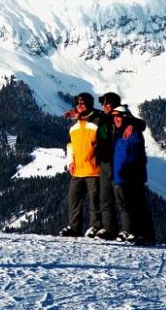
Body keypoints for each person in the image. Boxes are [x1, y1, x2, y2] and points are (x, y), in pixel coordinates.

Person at [93, 92, 147, 239]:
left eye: (107, 103)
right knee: (106, 198)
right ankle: (108, 229)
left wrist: (132, 124)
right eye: (102, 103)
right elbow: (90, 113)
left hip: (118, 165)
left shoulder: (120, 117)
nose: (104, 106)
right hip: (105, 164)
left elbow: (141, 124)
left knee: (123, 200)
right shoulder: (103, 117)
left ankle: (127, 230)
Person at [110, 104, 156, 246]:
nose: (115, 119)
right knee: (125, 207)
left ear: (125, 118)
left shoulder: (133, 133)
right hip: (119, 177)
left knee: (138, 206)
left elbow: (137, 154)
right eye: (114, 117)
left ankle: (146, 235)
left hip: (132, 177)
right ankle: (130, 231)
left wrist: (132, 125)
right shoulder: (117, 133)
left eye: (118, 116)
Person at [59, 92, 101, 237]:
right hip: (77, 170)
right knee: (73, 201)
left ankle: (96, 228)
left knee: (95, 202)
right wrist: (70, 162)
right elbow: (70, 145)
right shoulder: (74, 124)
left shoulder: (97, 120)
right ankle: (74, 228)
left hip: (94, 170)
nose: (80, 105)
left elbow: (105, 141)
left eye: (83, 103)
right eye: (78, 103)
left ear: (90, 104)